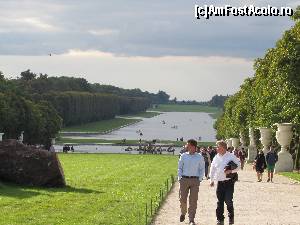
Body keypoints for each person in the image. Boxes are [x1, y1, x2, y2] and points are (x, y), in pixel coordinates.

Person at [209, 140, 241, 225]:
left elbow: (239, 166)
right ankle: (220, 219)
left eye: (218, 147)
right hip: (219, 182)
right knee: (220, 201)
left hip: (229, 182)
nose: (217, 148)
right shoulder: (216, 157)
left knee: (228, 200)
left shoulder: (231, 156)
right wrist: (211, 180)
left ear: (223, 147)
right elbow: (212, 169)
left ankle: (231, 217)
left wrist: (231, 170)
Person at [178, 139, 205, 225]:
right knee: (182, 199)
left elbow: (202, 169)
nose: (186, 146)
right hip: (184, 180)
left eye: (188, 145)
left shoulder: (199, 157)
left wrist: (200, 179)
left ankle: (191, 219)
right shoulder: (183, 156)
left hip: (195, 180)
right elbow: (179, 168)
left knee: (193, 200)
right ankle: (183, 212)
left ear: (193, 147)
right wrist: (180, 177)